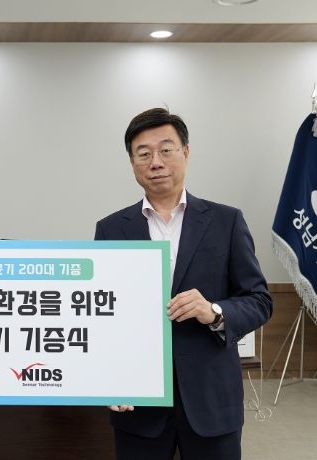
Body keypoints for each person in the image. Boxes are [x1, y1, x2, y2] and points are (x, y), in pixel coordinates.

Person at [94, 108, 272, 460]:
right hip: (139, 405)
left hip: (211, 401)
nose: (155, 162)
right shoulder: (111, 229)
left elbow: (259, 300)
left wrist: (214, 311)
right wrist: (112, 378)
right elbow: (103, 315)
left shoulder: (226, 221)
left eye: (166, 150)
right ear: (132, 163)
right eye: (143, 154)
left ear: (186, 153)